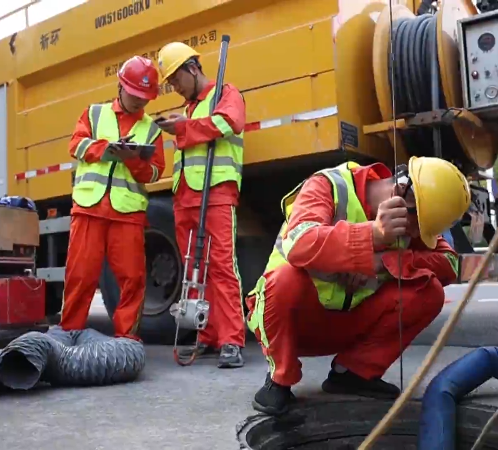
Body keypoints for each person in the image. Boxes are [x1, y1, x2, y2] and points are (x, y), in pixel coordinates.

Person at [245, 157, 471, 416]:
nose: (417, 237)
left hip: (346, 324)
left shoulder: (415, 212)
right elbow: (300, 244)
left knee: (428, 291)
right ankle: (279, 378)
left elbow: (450, 263)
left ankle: (352, 373)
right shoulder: (328, 185)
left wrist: (383, 264)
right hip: (292, 325)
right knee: (285, 280)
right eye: (417, 227)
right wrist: (371, 236)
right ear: (400, 196)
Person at [59, 56, 165, 341]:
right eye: (135, 94)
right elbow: (76, 144)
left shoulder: (152, 130)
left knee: (133, 279)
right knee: (80, 277)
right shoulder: (93, 114)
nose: (139, 102)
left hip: (127, 214)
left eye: (145, 98)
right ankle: (69, 336)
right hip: (90, 210)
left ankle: (127, 341)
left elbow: (155, 173)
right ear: (121, 86)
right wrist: (107, 149)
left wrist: (132, 160)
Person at [155, 42, 247, 368]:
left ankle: (232, 340)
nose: (174, 87)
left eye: (176, 79)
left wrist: (183, 127)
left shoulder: (226, 93)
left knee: (221, 266)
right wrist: (183, 124)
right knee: (194, 269)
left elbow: (228, 123)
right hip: (185, 197)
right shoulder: (190, 108)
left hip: (217, 193)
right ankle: (205, 334)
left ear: (193, 69)